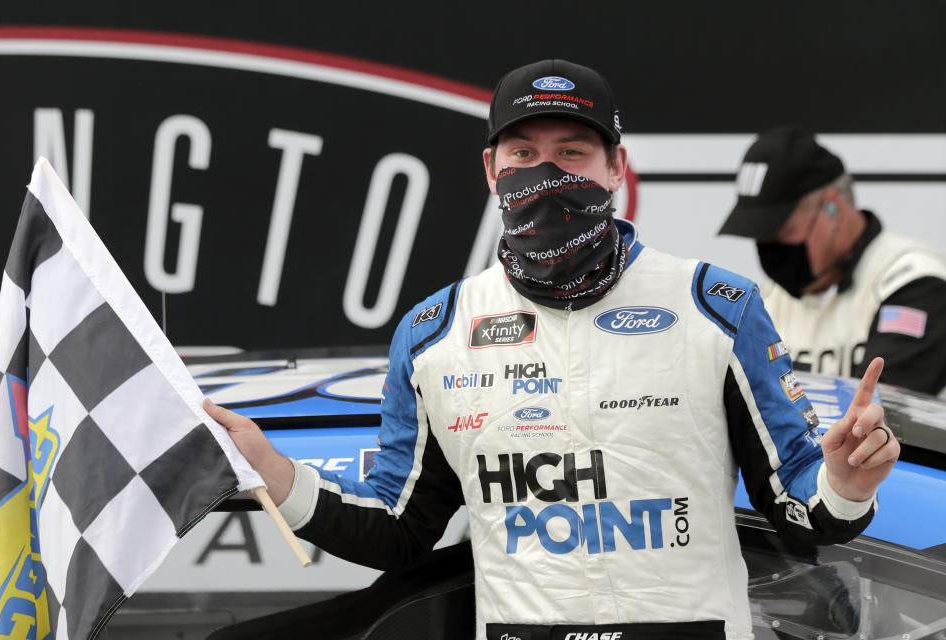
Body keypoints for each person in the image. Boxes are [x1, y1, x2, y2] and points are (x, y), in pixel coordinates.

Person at [205, 61, 900, 640]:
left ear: (615, 166)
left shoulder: (715, 307)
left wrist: (845, 483)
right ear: (490, 169)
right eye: (523, 155)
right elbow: (400, 529)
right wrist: (275, 471)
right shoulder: (434, 335)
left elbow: (798, 505)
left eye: (572, 152)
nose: (546, 174)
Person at [719, 126, 946, 397]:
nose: (771, 249)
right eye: (762, 236)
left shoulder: (913, 281)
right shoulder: (772, 298)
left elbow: (883, 415)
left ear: (832, 208)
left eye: (782, 231)